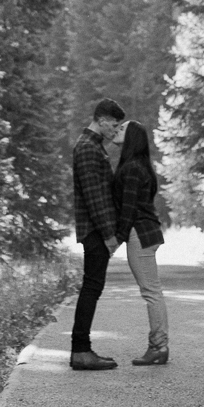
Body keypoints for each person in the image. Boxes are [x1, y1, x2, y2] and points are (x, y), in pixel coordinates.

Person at [69, 98, 126, 370]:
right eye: (114, 125)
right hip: (94, 231)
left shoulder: (92, 146)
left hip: (94, 230)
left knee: (92, 287)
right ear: (102, 120)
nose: (115, 130)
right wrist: (109, 235)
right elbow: (95, 198)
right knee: (91, 288)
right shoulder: (88, 148)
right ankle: (80, 350)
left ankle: (82, 349)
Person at [113, 120, 169, 365]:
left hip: (140, 233)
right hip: (144, 232)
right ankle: (159, 345)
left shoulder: (133, 167)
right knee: (152, 291)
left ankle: (158, 346)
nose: (117, 129)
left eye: (122, 128)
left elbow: (129, 208)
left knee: (151, 292)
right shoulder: (137, 165)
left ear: (132, 136)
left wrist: (117, 238)